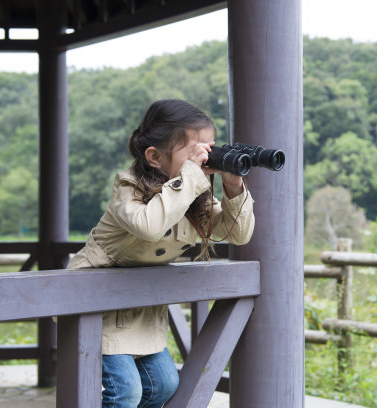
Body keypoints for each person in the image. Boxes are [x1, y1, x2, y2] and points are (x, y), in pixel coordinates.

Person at [67, 99, 255, 407]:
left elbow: (237, 233)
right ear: (154, 157)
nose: (203, 158)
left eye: (207, 149)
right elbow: (151, 225)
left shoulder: (191, 196)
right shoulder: (128, 189)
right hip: (96, 305)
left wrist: (234, 188)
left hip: (139, 307)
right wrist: (192, 176)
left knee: (164, 386)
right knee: (126, 392)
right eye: (194, 151)